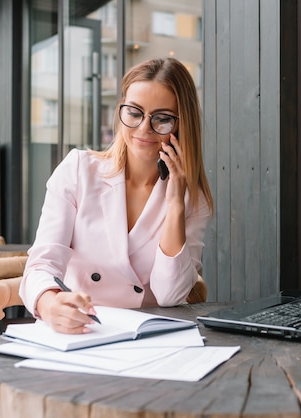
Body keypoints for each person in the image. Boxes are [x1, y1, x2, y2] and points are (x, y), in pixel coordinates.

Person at [20, 57, 214, 334]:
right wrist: (51, 305)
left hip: (147, 337)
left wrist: (175, 205)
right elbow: (42, 263)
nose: (144, 128)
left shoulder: (192, 199)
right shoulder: (78, 170)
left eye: (161, 119)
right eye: (134, 113)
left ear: (182, 126)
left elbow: (170, 295)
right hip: (81, 330)